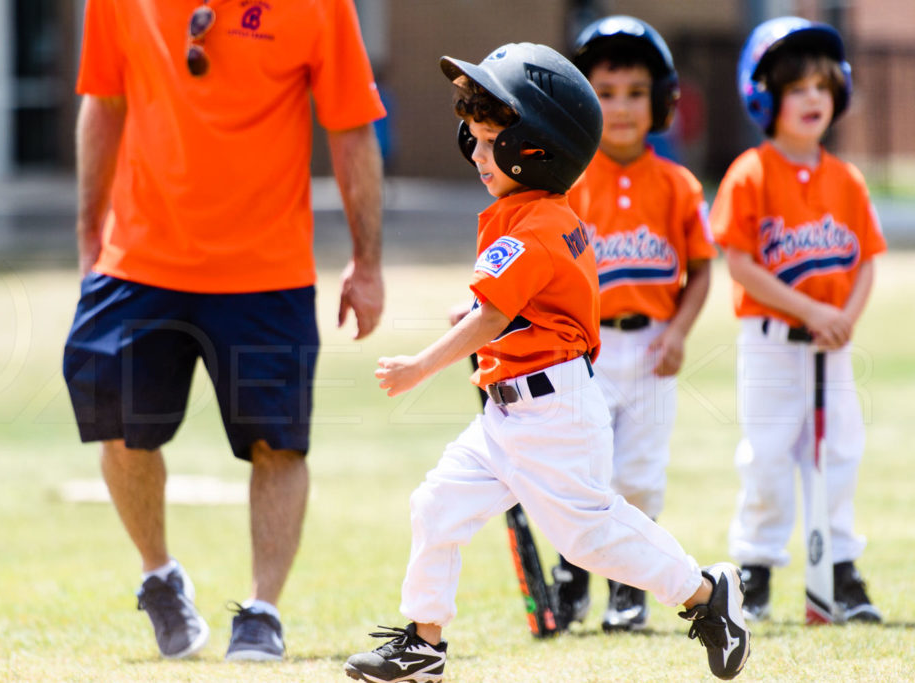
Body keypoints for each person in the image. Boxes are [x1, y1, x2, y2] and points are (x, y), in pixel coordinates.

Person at [343, 43, 750, 683]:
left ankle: (704, 594)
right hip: (514, 409)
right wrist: (475, 309)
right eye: (471, 138)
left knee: (588, 539)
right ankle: (424, 642)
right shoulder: (535, 214)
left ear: (536, 149)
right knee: (437, 505)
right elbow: (519, 300)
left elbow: (495, 317)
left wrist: (419, 366)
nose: (476, 154)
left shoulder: (533, 224)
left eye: (487, 142)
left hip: (552, 415)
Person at [62, 0, 386, 663]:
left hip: (267, 269)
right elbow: (104, 100)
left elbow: (352, 127)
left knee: (278, 444)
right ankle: (159, 574)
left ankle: (262, 609)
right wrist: (87, 229)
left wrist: (368, 260)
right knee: (116, 420)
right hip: (139, 259)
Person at [710, 16, 886, 623]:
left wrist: (844, 318)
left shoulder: (848, 179)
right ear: (764, 95)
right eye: (796, 86)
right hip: (771, 344)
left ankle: (838, 569)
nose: (813, 97)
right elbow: (738, 263)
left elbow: (865, 260)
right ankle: (754, 571)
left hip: (831, 344)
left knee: (839, 451)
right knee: (766, 455)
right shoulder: (751, 173)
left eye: (822, 84)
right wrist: (811, 309)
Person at [549, 15, 717, 634]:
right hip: (578, 351)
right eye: (604, 93)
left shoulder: (677, 184)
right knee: (577, 470)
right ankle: (571, 576)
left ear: (663, 101)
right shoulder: (562, 184)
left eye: (636, 93)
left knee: (640, 473)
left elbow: (700, 271)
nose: (620, 108)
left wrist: (678, 332)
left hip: (650, 346)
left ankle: (629, 586)